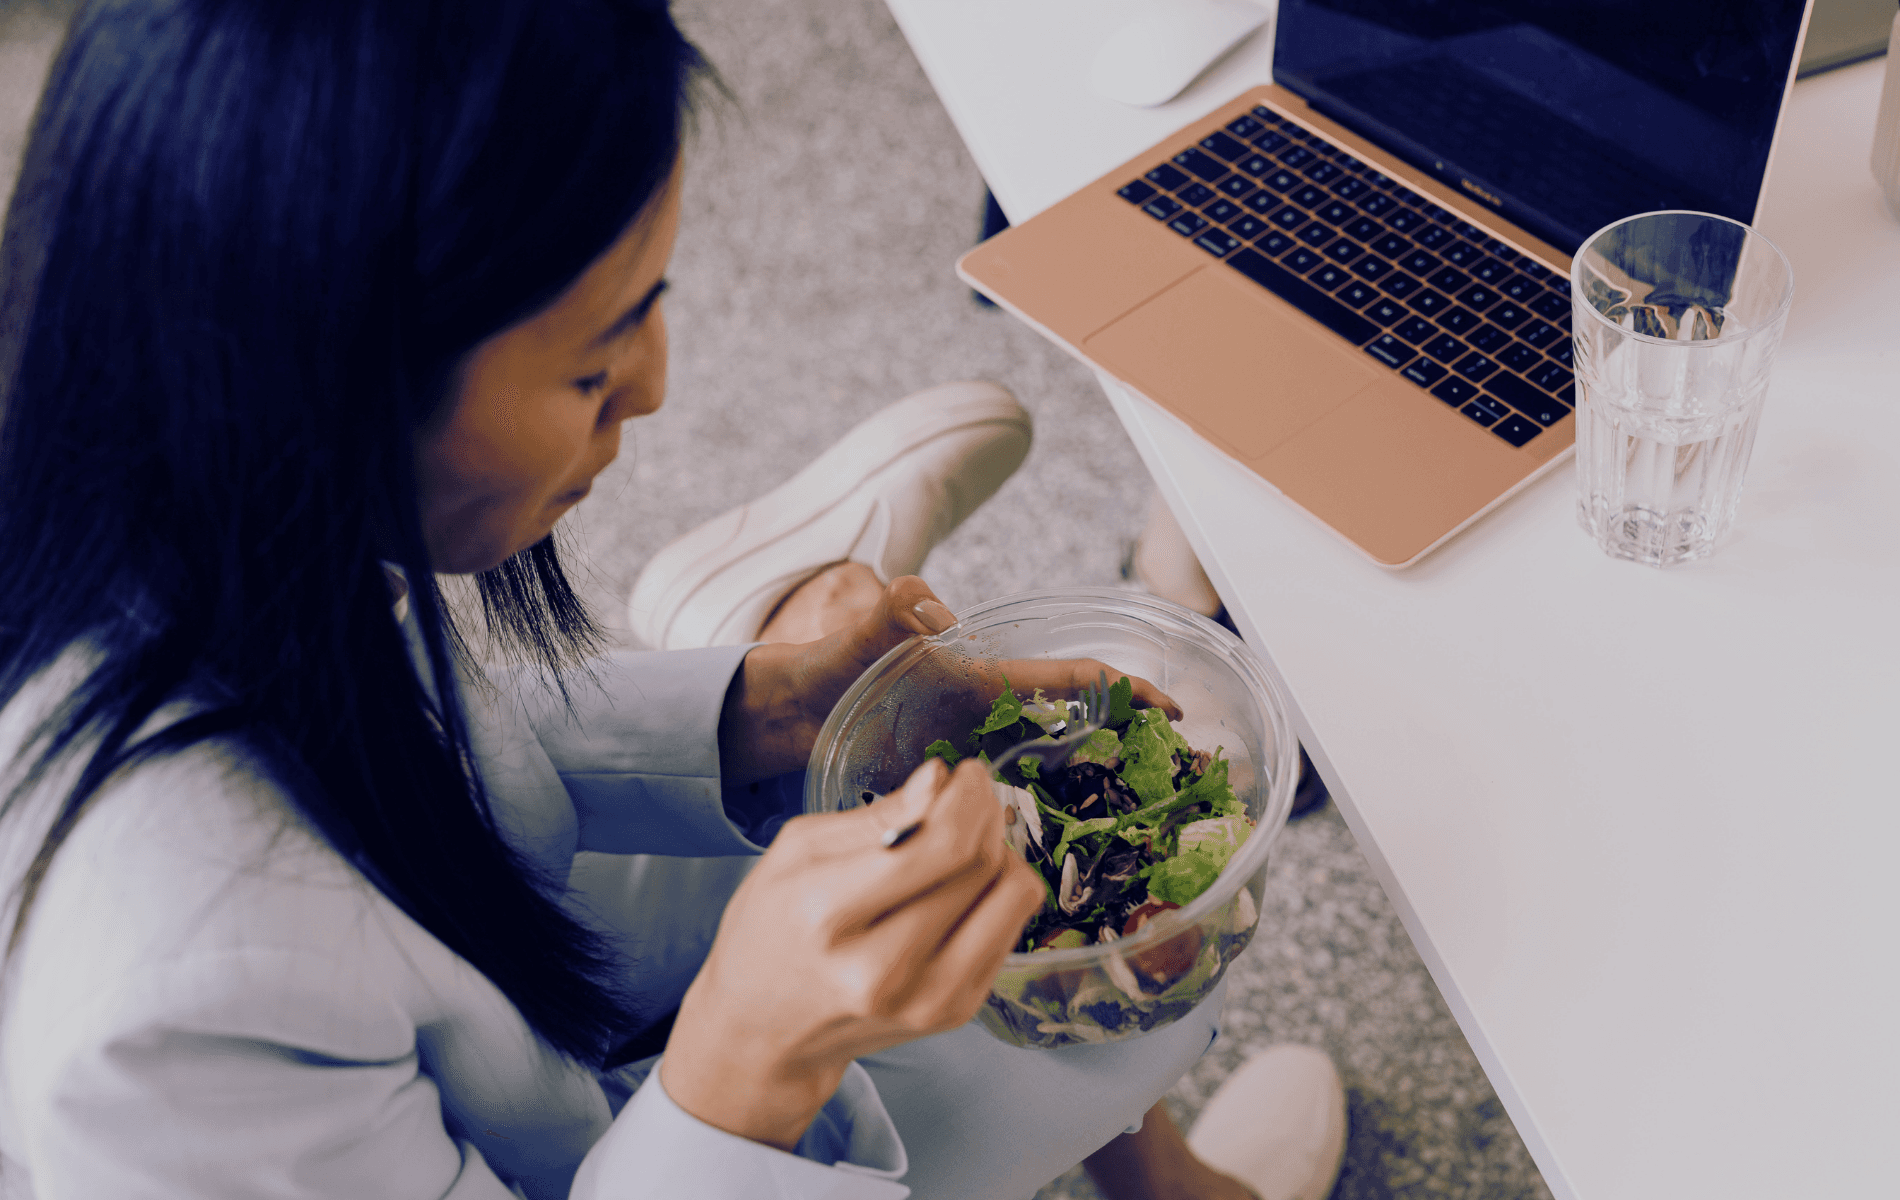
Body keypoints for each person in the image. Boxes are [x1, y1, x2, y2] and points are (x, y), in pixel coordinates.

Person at [0, 2, 1343, 1198]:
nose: (653, 392)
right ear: (327, 400)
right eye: (593, 369)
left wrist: (768, 708)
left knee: (1018, 857)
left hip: (522, 991)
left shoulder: (171, 498)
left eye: (654, 302)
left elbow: (427, 754)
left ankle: (753, 633)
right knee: (1095, 1001)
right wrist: (747, 1065)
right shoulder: (167, 1027)